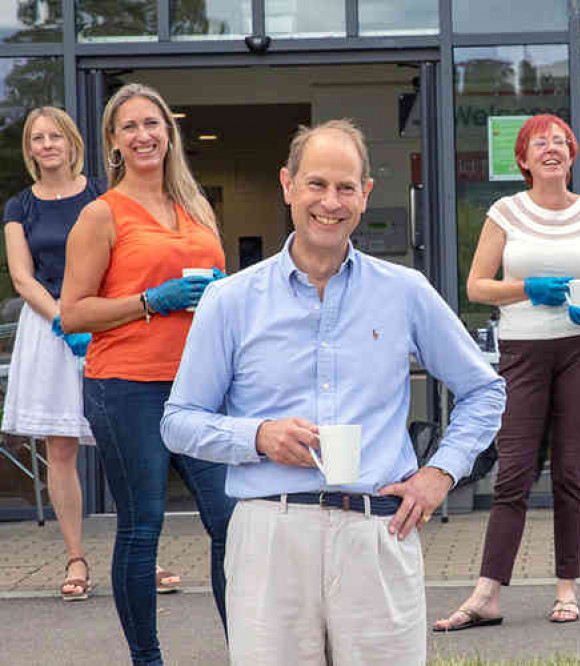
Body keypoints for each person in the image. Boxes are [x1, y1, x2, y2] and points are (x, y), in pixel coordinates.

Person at [160, 118, 505, 665]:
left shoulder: (404, 292)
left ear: (365, 196)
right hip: (269, 533)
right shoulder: (231, 301)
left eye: (346, 187)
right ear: (287, 186)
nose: (330, 201)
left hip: (376, 531)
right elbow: (178, 421)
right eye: (316, 184)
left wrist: (439, 474)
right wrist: (258, 436)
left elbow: (484, 392)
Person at [60, 83, 233, 666]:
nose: (144, 135)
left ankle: (252, 648)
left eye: (152, 123)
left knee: (230, 520)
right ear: (113, 141)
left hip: (199, 387)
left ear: (169, 131)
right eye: (129, 126)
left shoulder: (196, 208)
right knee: (143, 526)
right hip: (126, 387)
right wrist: (151, 301)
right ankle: (147, 659)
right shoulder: (100, 214)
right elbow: (73, 312)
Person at [434, 114, 580, 630]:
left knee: (570, 471)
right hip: (523, 352)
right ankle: (487, 594)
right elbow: (476, 286)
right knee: (514, 471)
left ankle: (567, 588)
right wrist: (526, 290)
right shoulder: (505, 212)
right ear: (522, 159)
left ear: (572, 154)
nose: (551, 148)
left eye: (561, 141)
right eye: (539, 142)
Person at [2, 107, 100, 601]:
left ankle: (142, 553)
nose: (46, 145)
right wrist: (65, 319)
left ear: (71, 142)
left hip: (104, 324)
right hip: (49, 329)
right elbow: (22, 277)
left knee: (123, 441)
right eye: (37, 138)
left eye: (54, 136)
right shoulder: (20, 207)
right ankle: (76, 558)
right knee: (59, 450)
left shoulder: (100, 195)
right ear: (30, 149)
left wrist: (92, 317)